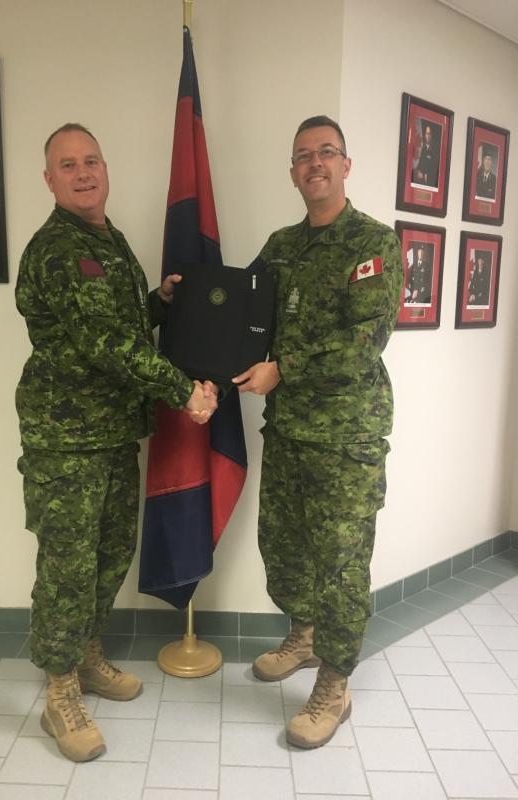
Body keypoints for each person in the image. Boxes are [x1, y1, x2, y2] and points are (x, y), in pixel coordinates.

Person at [15, 123, 217, 763]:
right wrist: (184, 389)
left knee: (106, 558)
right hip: (66, 440)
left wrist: (157, 303)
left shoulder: (107, 239)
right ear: (48, 180)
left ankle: (89, 654)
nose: (83, 173)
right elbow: (107, 344)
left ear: (106, 168)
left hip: (109, 433)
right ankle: (59, 692)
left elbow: (121, 322)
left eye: (91, 160)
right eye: (67, 165)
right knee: (67, 570)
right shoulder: (56, 249)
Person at [233, 116, 402, 749]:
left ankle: (335, 681)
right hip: (291, 433)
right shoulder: (282, 246)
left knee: (339, 566)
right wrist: (184, 296)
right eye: (303, 156)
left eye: (326, 153)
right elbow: (241, 304)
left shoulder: (374, 243)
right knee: (286, 551)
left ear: (346, 165)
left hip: (347, 440)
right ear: (294, 172)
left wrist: (285, 368)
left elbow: (368, 340)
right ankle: (302, 638)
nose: (315, 164)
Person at [412, 122, 439, 187]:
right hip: (422, 179)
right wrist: (418, 170)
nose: (428, 136)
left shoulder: (435, 149)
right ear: (424, 135)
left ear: (432, 135)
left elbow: (434, 167)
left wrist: (423, 174)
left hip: (430, 180)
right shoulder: (424, 148)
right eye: (426, 133)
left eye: (429, 134)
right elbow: (421, 162)